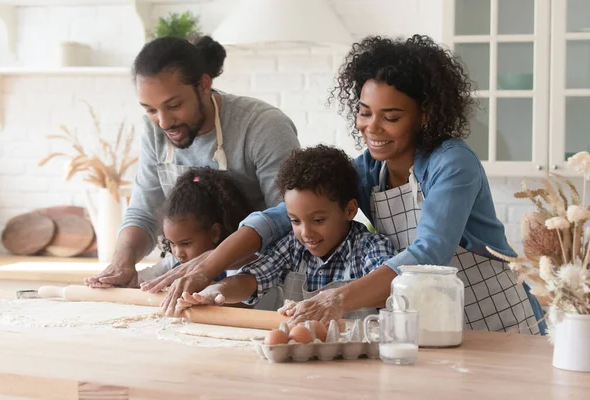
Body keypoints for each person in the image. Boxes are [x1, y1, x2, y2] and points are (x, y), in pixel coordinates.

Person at [155, 34, 547, 335]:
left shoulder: (452, 162)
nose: (371, 128)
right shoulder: (366, 171)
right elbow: (276, 219)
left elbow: (430, 252)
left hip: (496, 317)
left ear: (425, 115)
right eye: (364, 112)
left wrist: (339, 298)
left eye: (390, 117)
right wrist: (208, 267)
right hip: (433, 321)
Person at [84, 35, 300, 289]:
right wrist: (123, 261)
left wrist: (215, 261)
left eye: (173, 105)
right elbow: (144, 211)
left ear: (204, 85)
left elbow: (291, 217)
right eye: (151, 110)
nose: (163, 122)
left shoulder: (263, 126)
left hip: (262, 283)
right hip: (192, 281)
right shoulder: (155, 131)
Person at [175, 145, 396, 325]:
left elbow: (389, 291)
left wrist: (338, 301)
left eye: (318, 220)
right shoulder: (292, 246)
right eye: (295, 220)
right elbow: (252, 279)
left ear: (349, 210)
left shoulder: (371, 248)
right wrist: (215, 291)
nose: (306, 233)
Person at [135, 167, 255, 286]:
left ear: (215, 233)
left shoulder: (234, 265)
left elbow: (238, 299)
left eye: (186, 244)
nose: (178, 253)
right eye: (172, 243)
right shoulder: (174, 262)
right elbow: (141, 280)